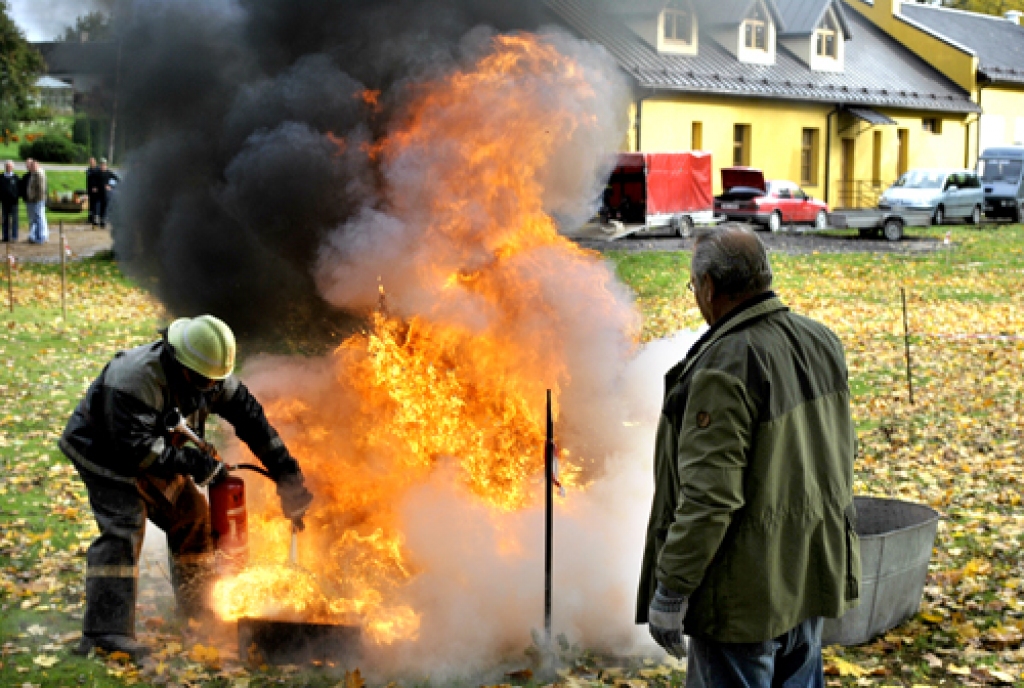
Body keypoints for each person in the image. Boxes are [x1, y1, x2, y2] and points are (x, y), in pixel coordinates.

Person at [637, 225, 860, 687]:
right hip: (805, 576)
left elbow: (709, 497)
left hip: (743, 601)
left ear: (711, 287)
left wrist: (671, 590)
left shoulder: (726, 365)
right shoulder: (821, 341)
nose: (696, 295)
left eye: (694, 286)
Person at [60, 315, 315, 661]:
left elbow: (252, 421)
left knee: (193, 516)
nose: (210, 388)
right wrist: (195, 464)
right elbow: (135, 451)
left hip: (152, 449)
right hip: (104, 451)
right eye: (202, 381)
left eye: (215, 382)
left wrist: (287, 474)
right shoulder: (133, 380)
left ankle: (197, 609)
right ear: (178, 362)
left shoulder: (209, 375)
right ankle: (106, 632)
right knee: (125, 524)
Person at [23, 158, 48, 244]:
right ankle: (35, 236)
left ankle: (40, 237)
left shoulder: (39, 174)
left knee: (39, 219)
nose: (31, 167)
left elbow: (41, 189)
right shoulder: (33, 174)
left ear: (37, 165)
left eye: (33, 165)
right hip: (33, 200)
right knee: (36, 219)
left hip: (38, 200)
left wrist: (35, 199)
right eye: (31, 165)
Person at [93, 157, 119, 228]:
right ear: (100, 165)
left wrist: (110, 186)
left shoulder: (108, 173)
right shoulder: (96, 173)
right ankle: (95, 220)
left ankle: (102, 221)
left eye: (104, 165)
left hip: (104, 193)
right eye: (101, 165)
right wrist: (94, 187)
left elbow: (116, 178)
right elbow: (93, 180)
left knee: (104, 206)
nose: (103, 166)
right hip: (98, 192)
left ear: (106, 165)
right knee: (96, 205)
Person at [0, 161, 19, 242]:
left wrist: (15, 197)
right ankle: (5, 236)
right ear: (5, 167)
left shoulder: (16, 178)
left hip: (14, 202)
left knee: (14, 219)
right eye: (7, 166)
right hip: (4, 202)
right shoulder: (1, 177)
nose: (8, 168)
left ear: (12, 167)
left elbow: (19, 189)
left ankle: (14, 236)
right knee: (5, 219)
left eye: (10, 166)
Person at [86, 157, 99, 227]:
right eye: (90, 162)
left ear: (95, 162)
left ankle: (95, 218)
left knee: (95, 204)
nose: (91, 163)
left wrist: (96, 187)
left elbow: (99, 180)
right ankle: (90, 218)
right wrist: (87, 190)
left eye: (92, 162)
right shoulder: (89, 170)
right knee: (90, 204)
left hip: (96, 190)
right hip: (90, 189)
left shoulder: (98, 170)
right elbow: (87, 181)